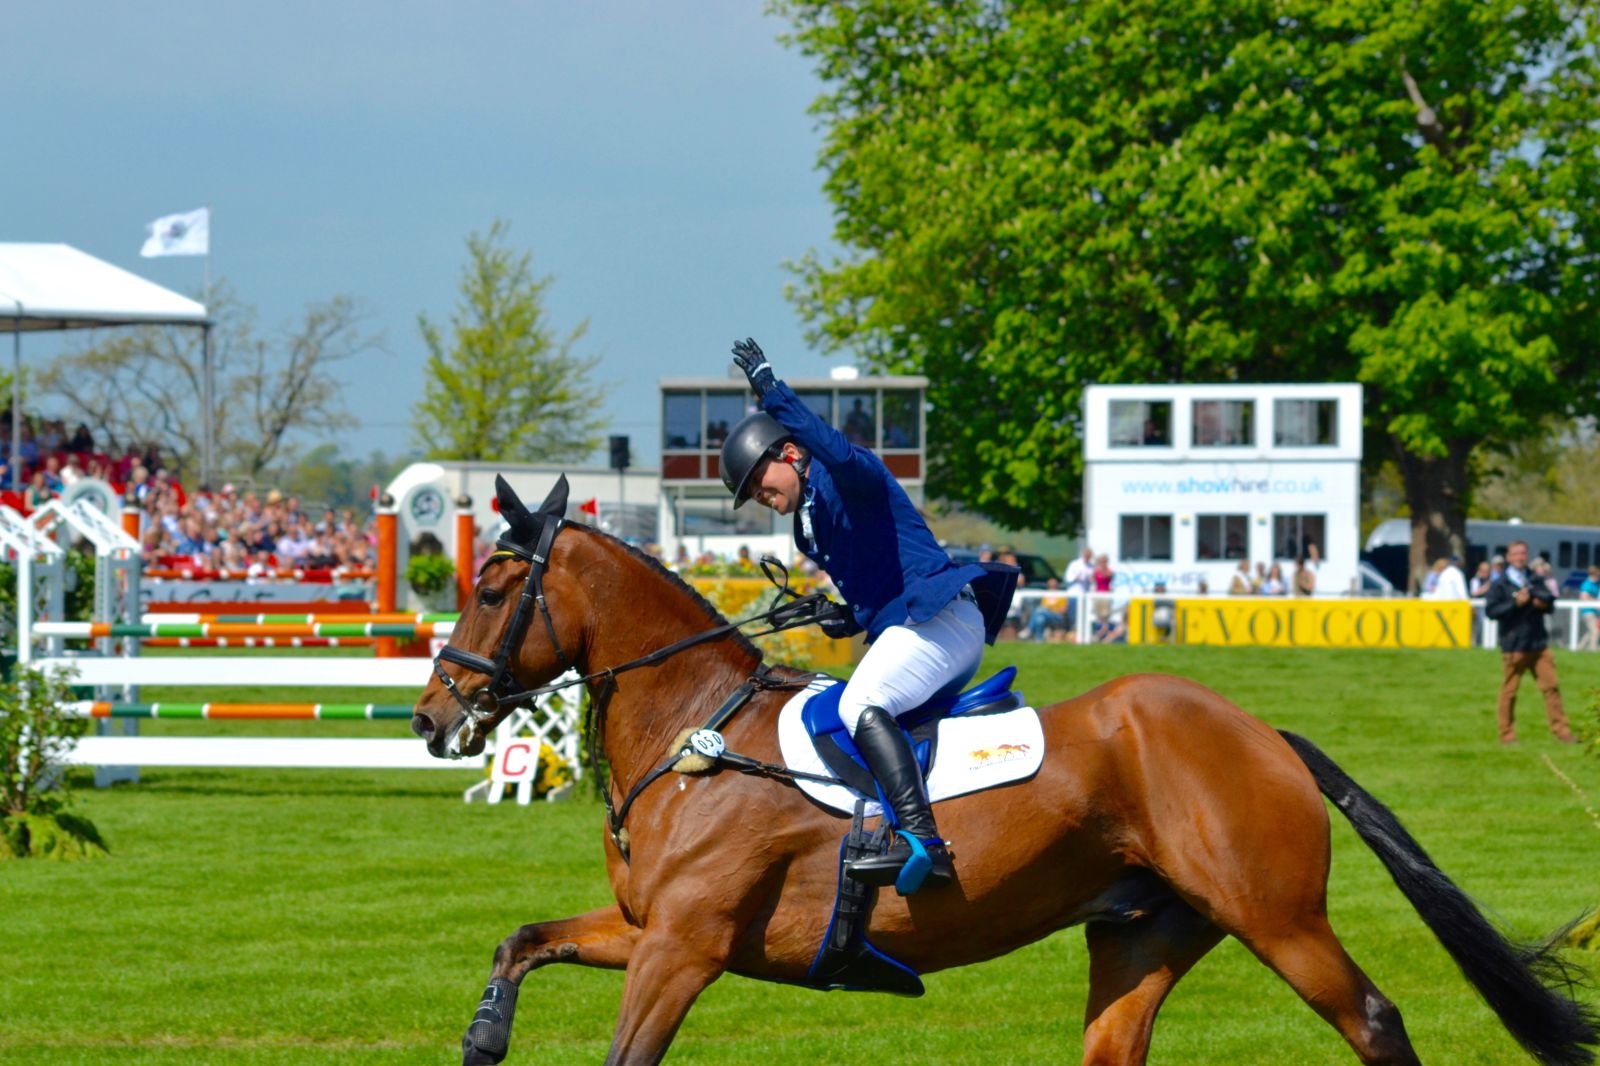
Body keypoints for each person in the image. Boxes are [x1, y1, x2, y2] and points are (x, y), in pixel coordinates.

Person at [721, 338, 1001, 890]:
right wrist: (846, 616)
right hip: (920, 626)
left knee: (861, 702)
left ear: (792, 453)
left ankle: (922, 840)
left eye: (759, 479)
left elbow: (834, 449)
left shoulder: (848, 476)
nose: (757, 493)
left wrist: (772, 391)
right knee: (848, 702)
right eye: (749, 491)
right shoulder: (810, 522)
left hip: (943, 620)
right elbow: (883, 581)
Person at [1483, 540, 1576, 745]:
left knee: (1551, 687)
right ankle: (1506, 735)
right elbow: (1491, 611)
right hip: (1514, 645)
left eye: (1523, 553)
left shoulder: (1534, 578)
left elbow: (1550, 602)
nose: (1519, 557)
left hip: (1538, 644)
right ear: (1508, 557)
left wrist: (1542, 604)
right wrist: (1515, 604)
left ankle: (1562, 731)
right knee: (1509, 691)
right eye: (1515, 554)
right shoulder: (1500, 583)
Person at [1578, 565, 1600, 653]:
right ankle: (1593, 649)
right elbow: (1583, 597)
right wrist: (1596, 602)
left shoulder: (1596, 584)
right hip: (1588, 611)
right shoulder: (1587, 584)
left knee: (1590, 631)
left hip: (1595, 611)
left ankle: (1578, 648)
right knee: (1595, 631)